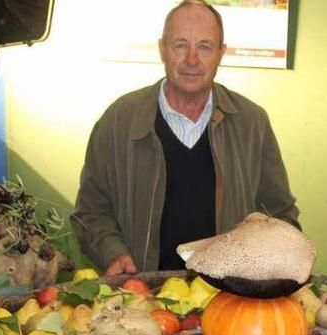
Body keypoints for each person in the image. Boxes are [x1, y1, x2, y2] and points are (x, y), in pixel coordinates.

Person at [72, 0, 299, 276]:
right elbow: (91, 211)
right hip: (142, 295)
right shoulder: (119, 120)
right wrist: (113, 253)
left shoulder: (252, 123)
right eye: (180, 45)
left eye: (204, 46)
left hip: (229, 297)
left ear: (221, 53)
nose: (192, 59)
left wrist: (269, 271)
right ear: (162, 49)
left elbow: (279, 215)